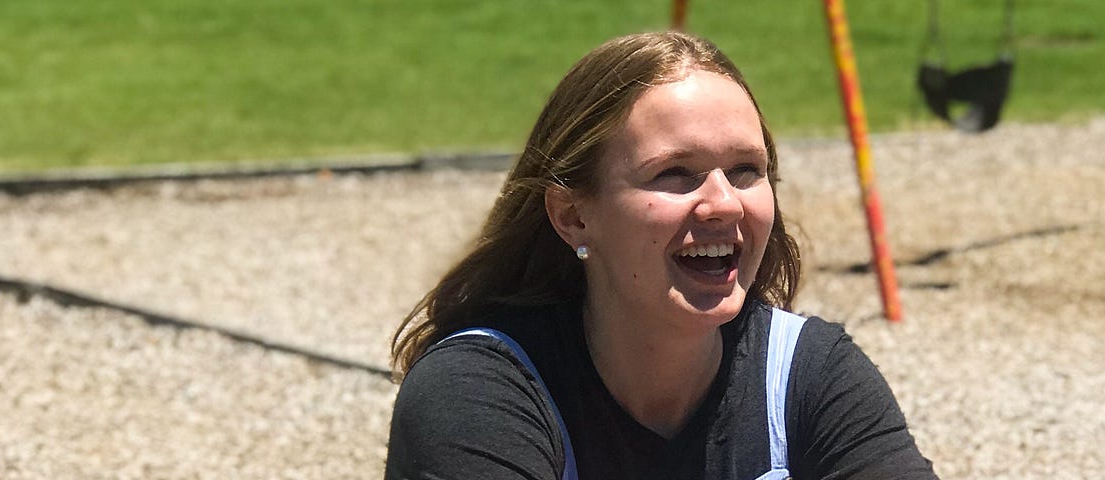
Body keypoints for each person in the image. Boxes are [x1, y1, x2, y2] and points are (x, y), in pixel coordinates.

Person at [385, 31, 937, 480]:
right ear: (573, 216)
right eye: (675, 173)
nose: (723, 202)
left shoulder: (808, 374)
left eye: (746, 169)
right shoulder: (479, 393)